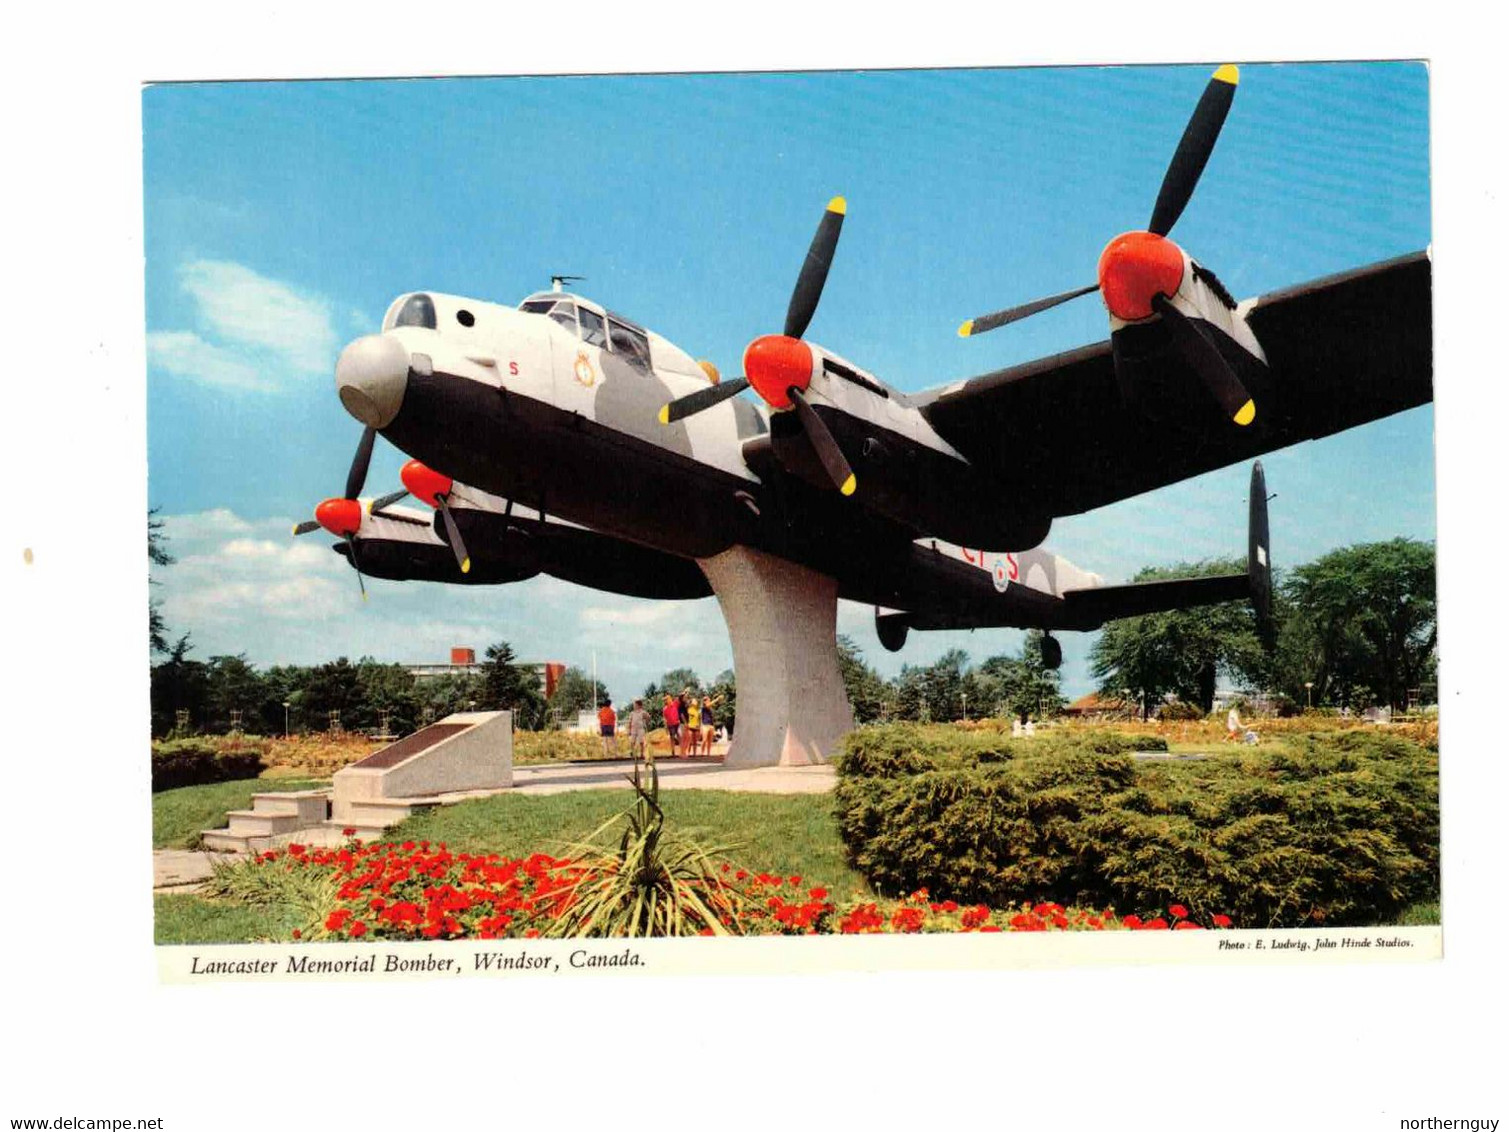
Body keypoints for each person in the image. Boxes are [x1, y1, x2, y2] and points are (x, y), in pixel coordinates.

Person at [684, 693, 702, 758]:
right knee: (689, 741)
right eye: (694, 701)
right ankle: (687, 753)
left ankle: (694, 754)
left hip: (696, 727)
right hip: (690, 726)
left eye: (696, 701)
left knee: (695, 741)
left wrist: (700, 727)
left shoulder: (698, 711)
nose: (696, 702)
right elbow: (686, 717)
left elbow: (699, 719)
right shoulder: (689, 709)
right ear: (692, 702)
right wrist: (686, 724)